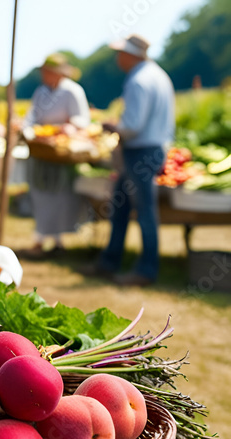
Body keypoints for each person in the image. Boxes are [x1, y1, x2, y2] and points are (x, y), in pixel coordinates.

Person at [94, 34, 174, 286]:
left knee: (144, 211)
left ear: (131, 55)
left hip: (140, 151)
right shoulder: (159, 76)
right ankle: (109, 261)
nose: (118, 58)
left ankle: (146, 270)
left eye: (121, 53)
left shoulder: (138, 80)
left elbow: (133, 125)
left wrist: (112, 125)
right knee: (122, 208)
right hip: (153, 148)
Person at [19, 54, 91, 258]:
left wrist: (67, 128)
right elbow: (31, 116)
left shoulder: (72, 91)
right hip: (42, 150)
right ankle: (41, 237)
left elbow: (82, 120)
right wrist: (27, 130)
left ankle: (58, 239)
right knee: (40, 194)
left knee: (60, 195)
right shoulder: (41, 92)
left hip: (61, 153)